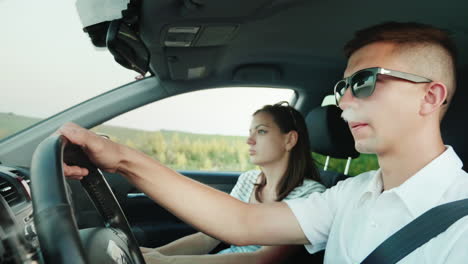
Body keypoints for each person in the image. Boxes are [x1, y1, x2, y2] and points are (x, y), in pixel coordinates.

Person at [60, 21, 468, 263]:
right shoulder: (352, 194)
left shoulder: (461, 223)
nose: (342, 99)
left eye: (363, 82)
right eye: (342, 85)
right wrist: (122, 159)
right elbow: (243, 222)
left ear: (429, 96)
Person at [139, 102, 326, 264]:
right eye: (250, 132)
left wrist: (166, 262)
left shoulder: (310, 196)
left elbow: (263, 259)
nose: (249, 141)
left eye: (261, 131)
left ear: (290, 139)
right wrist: (156, 254)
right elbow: (209, 238)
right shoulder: (248, 180)